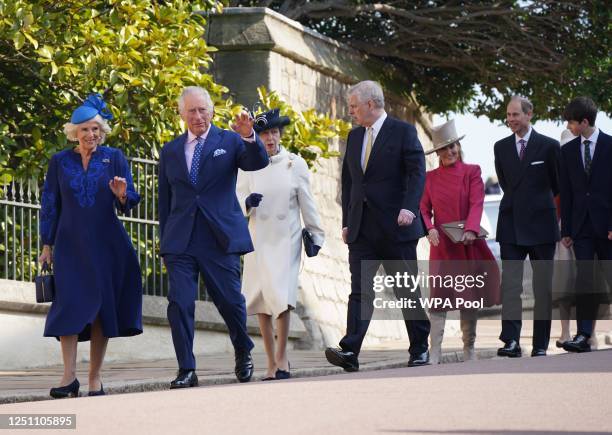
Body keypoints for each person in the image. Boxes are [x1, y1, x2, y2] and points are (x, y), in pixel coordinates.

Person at [158, 86, 268, 388]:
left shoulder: (229, 141)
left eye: (202, 110)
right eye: (191, 111)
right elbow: (164, 202)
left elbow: (257, 162)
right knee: (179, 303)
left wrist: (249, 136)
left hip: (219, 237)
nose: (197, 116)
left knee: (230, 301)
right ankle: (187, 369)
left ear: (212, 112)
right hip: (181, 240)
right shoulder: (170, 151)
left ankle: (243, 348)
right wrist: (165, 244)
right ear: (181, 114)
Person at [39, 94, 142, 398]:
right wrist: (47, 244)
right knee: (68, 307)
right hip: (69, 246)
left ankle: (94, 378)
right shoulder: (60, 161)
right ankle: (68, 377)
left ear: (102, 131)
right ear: (74, 132)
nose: (91, 135)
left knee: (100, 309)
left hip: (106, 244)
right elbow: (50, 204)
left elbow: (130, 201)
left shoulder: (115, 157)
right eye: (85, 129)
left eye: (96, 129)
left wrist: (123, 195)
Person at [325, 80, 430, 371]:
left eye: (354, 106)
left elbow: (417, 173)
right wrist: (347, 221)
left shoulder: (404, 131)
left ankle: (419, 347)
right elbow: (349, 183)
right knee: (360, 291)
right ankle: (350, 352)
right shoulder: (354, 137)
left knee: (406, 290)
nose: (351, 112)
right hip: (362, 230)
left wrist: (410, 207)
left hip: (397, 227)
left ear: (371, 104)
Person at [236, 109, 325, 380]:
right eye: (264, 134)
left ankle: (282, 357)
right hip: (257, 237)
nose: (270, 138)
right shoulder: (246, 164)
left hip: (286, 238)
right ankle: (270, 361)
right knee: (261, 299)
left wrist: (316, 234)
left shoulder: (294, 164)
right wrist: (247, 203)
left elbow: (307, 202)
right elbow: (236, 196)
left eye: (274, 132)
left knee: (283, 297)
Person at [420, 119, 501, 364]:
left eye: (453, 145)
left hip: (468, 243)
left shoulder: (472, 171)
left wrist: (470, 229)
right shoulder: (429, 178)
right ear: (437, 153)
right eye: (444, 148)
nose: (450, 151)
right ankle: (435, 350)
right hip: (442, 246)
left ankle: (470, 348)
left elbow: (477, 202)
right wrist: (430, 229)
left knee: (468, 297)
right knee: (439, 298)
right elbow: (423, 209)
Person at [494, 96, 560, 358]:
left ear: (529, 114)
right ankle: (510, 341)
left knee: (542, 287)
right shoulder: (500, 147)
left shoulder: (549, 146)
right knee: (510, 285)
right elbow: (504, 182)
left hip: (542, 225)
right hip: (510, 223)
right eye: (508, 115)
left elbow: (557, 185)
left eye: (515, 115)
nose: (511, 120)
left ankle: (540, 345)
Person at [559, 96, 612, 353]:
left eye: (571, 122)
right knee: (584, 280)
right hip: (581, 228)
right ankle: (583, 335)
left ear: (585, 121)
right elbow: (566, 193)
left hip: (608, 226)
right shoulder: (567, 151)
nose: (569, 127)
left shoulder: (611, 145)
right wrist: (566, 230)